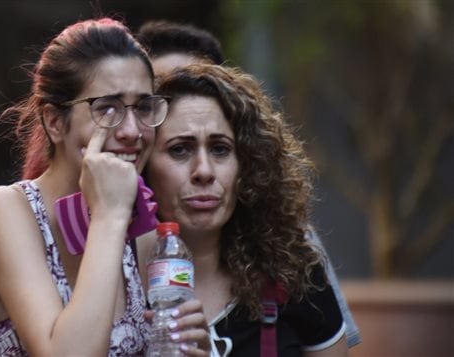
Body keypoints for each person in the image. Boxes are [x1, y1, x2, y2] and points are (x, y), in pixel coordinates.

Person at [0, 18, 209, 356]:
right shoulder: (3, 211)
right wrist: (109, 215)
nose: (132, 130)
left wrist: (196, 344)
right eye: (108, 108)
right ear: (55, 122)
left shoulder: (142, 236)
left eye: (144, 107)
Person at [137, 19, 361, 349]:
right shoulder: (113, 276)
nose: (204, 171)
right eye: (179, 149)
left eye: (220, 149)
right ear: (142, 166)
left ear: (249, 164)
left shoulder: (290, 264)